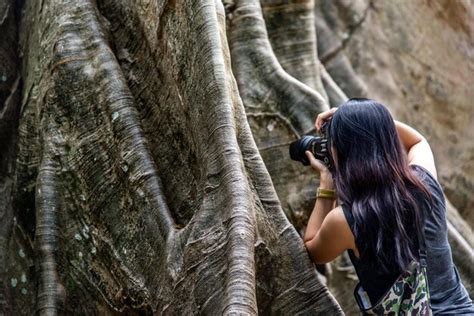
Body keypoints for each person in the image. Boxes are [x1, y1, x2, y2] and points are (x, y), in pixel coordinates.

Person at [303, 98, 474, 314]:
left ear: (340, 150)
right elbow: (417, 141)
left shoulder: (346, 219)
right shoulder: (424, 183)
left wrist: (327, 184)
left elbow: (312, 250)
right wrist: (371, 122)